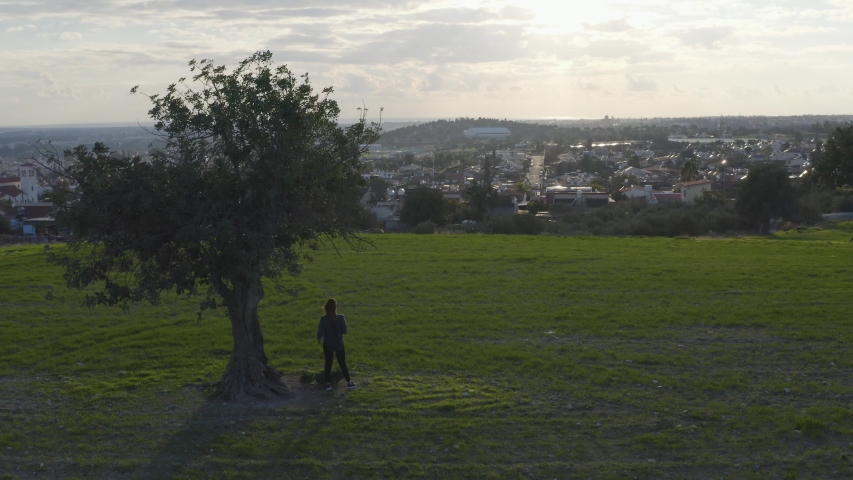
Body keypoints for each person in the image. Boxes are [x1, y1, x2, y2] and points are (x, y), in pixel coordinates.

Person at [316, 298, 356, 390]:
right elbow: (345, 331)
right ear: (335, 308)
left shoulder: (323, 319)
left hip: (328, 344)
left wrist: (319, 339)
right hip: (339, 343)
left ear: (326, 308)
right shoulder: (341, 318)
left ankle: (327, 383)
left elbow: (320, 332)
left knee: (328, 363)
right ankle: (349, 382)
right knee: (342, 363)